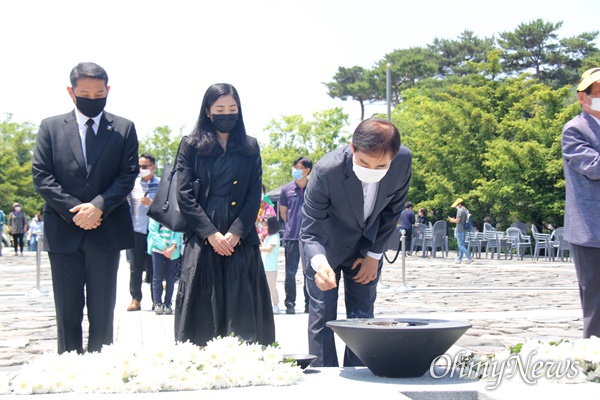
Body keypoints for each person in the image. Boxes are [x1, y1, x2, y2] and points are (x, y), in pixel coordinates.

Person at [31, 62, 138, 354]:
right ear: (71, 91)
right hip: (63, 231)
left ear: (108, 91)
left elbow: (127, 175)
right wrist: (77, 210)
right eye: (85, 93)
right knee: (67, 309)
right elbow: (42, 176)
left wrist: (99, 207)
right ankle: (69, 367)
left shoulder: (124, 128)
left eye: (99, 93)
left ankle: (101, 367)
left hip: (107, 229)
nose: (93, 98)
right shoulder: (50, 127)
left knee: (103, 308)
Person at [300, 118, 412, 367]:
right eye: (363, 163)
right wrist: (320, 264)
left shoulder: (403, 160)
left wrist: (374, 255)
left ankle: (359, 373)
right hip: (325, 248)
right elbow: (309, 231)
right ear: (352, 148)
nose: (372, 170)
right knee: (323, 317)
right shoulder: (326, 170)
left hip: (367, 246)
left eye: (381, 165)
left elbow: (392, 211)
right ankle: (324, 376)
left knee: (363, 317)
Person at [174, 83, 275, 346]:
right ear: (208, 111)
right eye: (220, 108)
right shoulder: (191, 145)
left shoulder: (250, 146)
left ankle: (247, 358)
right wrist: (210, 234)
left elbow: (255, 195)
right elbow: (184, 194)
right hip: (202, 235)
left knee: (242, 301)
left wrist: (236, 233)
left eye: (232, 108)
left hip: (239, 238)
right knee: (202, 302)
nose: (227, 113)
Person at [562, 67, 600, 338]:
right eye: (598, 93)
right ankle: (595, 357)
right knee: (596, 300)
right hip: (590, 230)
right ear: (582, 98)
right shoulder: (575, 129)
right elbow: (594, 167)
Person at [279, 156, 312, 314]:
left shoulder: (314, 187)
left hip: (310, 237)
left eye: (299, 167)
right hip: (291, 236)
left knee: (309, 272)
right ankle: (290, 303)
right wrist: (293, 225)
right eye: (295, 167)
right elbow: (283, 212)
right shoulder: (286, 189)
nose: (296, 170)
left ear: (307, 170)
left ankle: (309, 303)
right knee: (290, 272)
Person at [127, 153, 160, 312]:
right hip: (136, 230)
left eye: (144, 166)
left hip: (154, 232)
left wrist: (152, 204)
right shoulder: (132, 184)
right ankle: (135, 299)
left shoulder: (161, 184)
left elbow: (167, 207)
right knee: (135, 267)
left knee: (154, 266)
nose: (141, 169)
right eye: (139, 166)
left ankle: (157, 299)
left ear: (152, 167)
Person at [147, 218, 183, 315]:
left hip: (172, 251)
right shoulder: (156, 210)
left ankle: (168, 303)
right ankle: (157, 303)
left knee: (170, 278)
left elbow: (179, 231)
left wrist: (173, 247)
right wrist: (164, 247)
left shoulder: (176, 211)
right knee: (157, 277)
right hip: (157, 249)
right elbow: (153, 230)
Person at [260, 216, 281, 314]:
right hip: (264, 265)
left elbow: (268, 249)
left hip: (271, 267)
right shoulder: (268, 237)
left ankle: (275, 304)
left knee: (272, 286)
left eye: (266, 226)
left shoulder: (274, 237)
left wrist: (257, 248)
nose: (264, 228)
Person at [447, 198, 473, 264]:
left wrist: (452, 220)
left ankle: (469, 257)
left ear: (460, 204)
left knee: (460, 245)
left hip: (460, 229)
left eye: (457, 205)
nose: (457, 206)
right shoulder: (466, 210)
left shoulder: (460, 211)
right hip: (465, 229)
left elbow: (457, 220)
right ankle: (459, 259)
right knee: (462, 245)